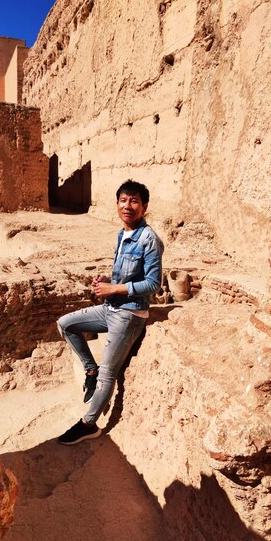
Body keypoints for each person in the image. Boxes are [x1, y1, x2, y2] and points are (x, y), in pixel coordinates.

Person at [57, 179, 164, 445]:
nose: (128, 206)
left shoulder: (150, 240)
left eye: (134, 201)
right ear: (117, 204)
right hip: (111, 307)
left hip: (129, 314)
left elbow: (153, 284)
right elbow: (125, 274)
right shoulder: (122, 234)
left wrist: (114, 288)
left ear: (144, 206)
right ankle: (89, 370)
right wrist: (107, 279)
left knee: (109, 373)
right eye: (123, 200)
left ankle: (88, 424)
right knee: (66, 324)